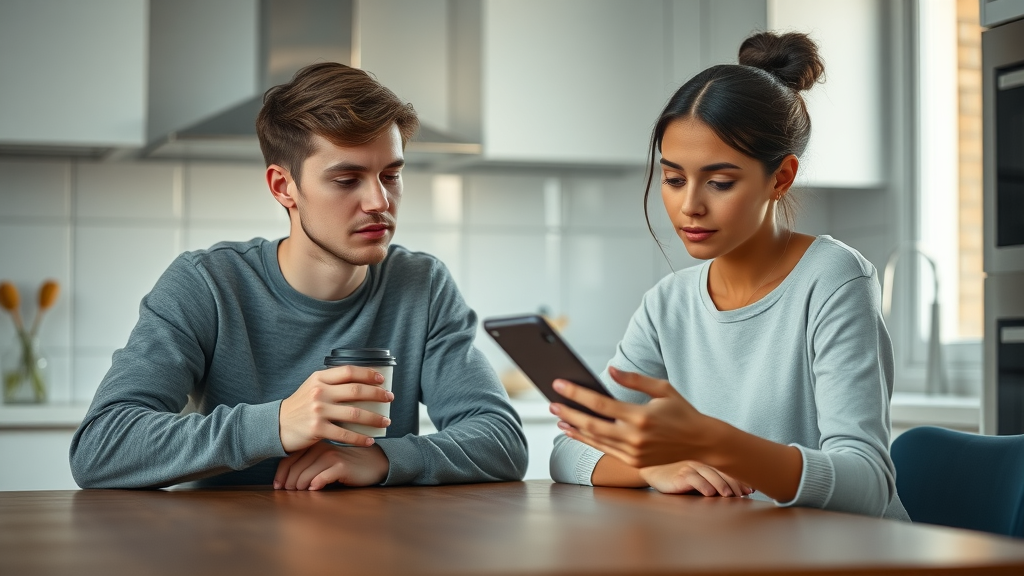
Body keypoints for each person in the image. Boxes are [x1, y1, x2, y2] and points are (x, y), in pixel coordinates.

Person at [69, 62, 527, 490]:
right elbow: (101, 446)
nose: (379, 202)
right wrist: (279, 423)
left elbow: (503, 440)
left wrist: (384, 459)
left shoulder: (421, 284)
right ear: (283, 187)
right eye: (347, 180)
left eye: (390, 175)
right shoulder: (206, 283)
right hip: (221, 547)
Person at [548, 32, 909, 520]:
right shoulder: (667, 305)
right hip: (735, 551)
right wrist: (653, 466)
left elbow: (867, 483)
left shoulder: (833, 280)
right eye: (673, 179)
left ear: (780, 177)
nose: (689, 206)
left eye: (719, 182)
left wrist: (717, 444)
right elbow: (569, 451)